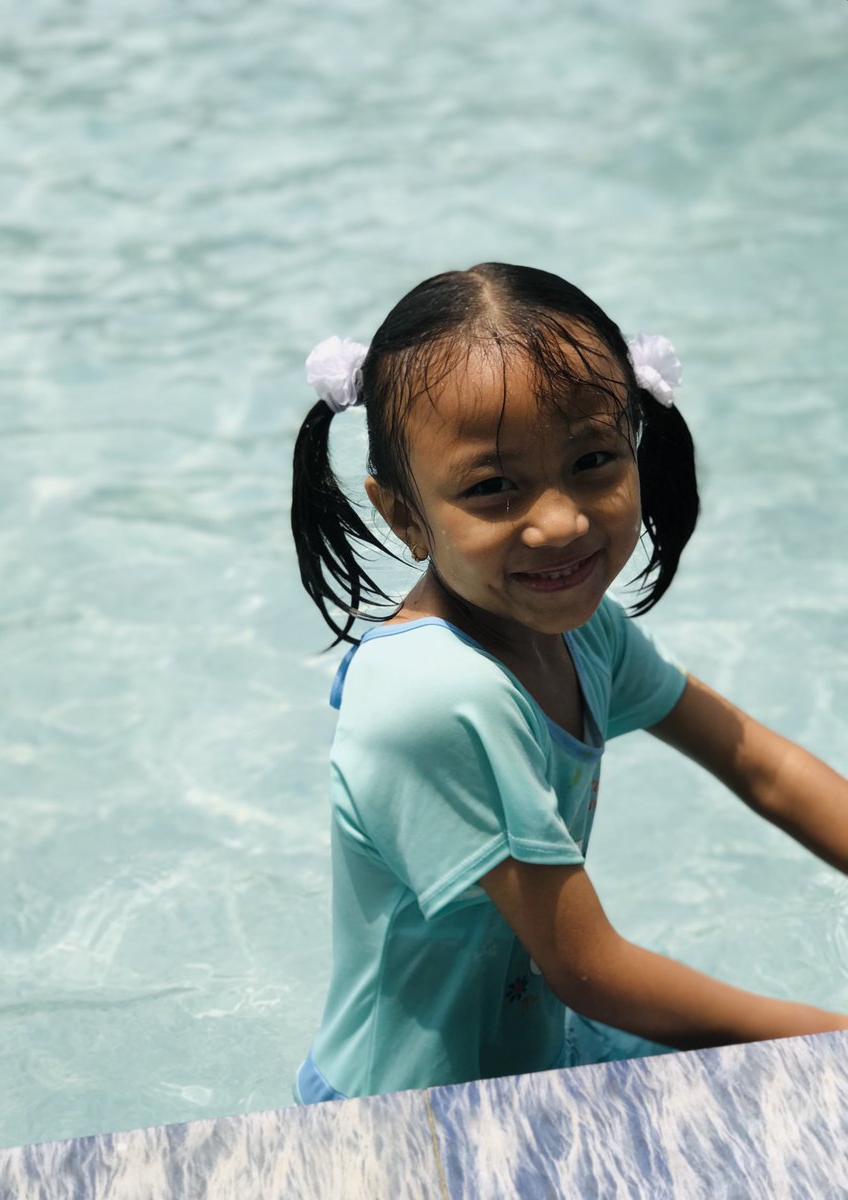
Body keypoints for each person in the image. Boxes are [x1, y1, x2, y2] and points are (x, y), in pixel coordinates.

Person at [290, 262, 848, 1103]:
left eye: (592, 460)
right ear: (404, 514)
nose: (561, 522)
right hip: (405, 1112)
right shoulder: (435, 698)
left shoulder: (582, 632)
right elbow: (592, 970)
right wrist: (831, 1040)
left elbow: (758, 764)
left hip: (541, 1050)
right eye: (492, 487)